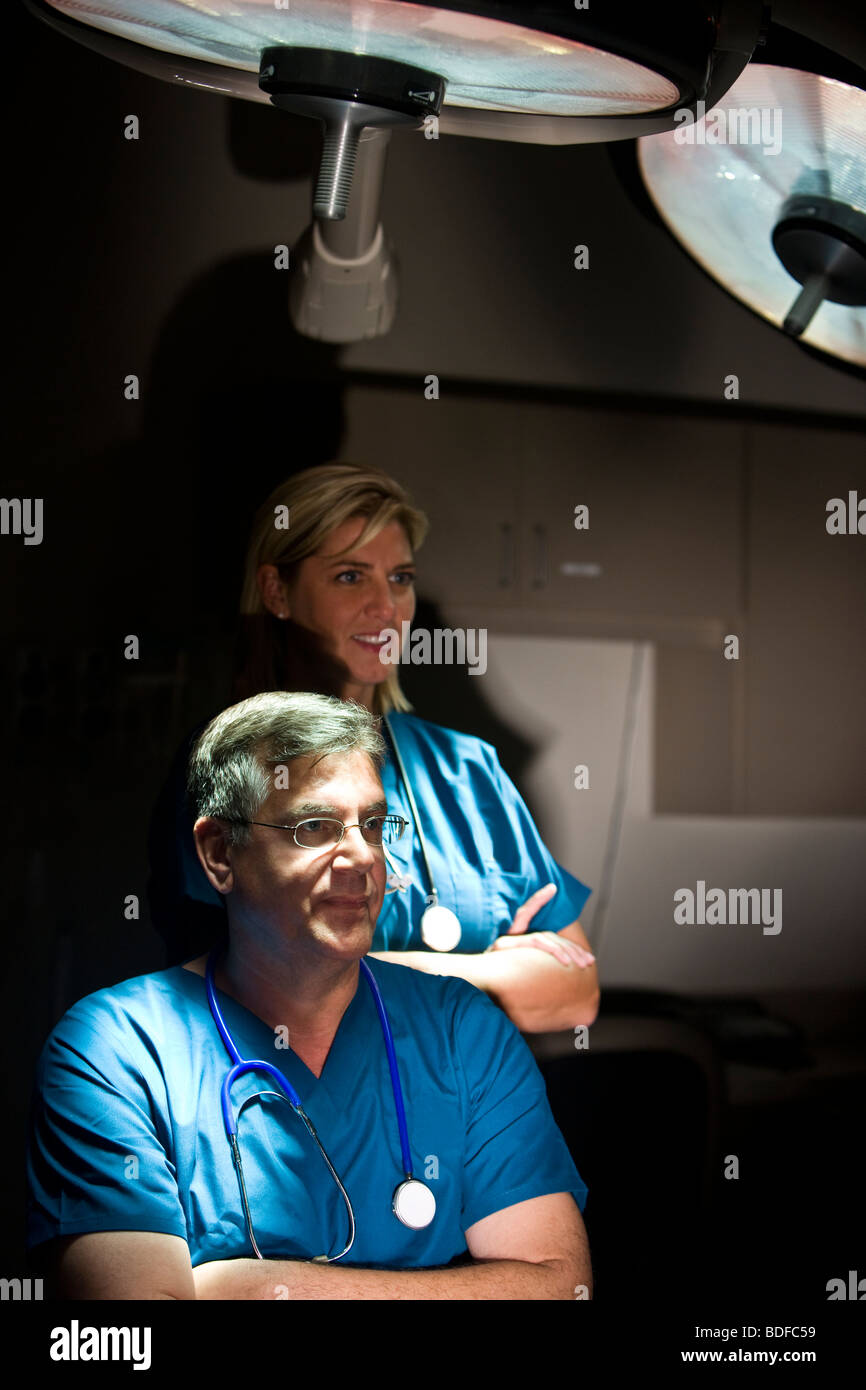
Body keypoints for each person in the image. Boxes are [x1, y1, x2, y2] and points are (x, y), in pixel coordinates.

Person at [27, 692, 592, 1299]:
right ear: (220, 854)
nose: (361, 858)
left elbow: (559, 1288)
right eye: (314, 828)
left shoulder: (463, 1032)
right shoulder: (116, 1050)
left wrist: (247, 1288)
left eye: (374, 825)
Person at [148, 462, 599, 1035]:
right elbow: (266, 994)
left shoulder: (468, 769)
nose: (386, 607)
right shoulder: (227, 767)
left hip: (466, 1118)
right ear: (276, 591)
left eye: (401, 578)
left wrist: (372, 969)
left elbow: (576, 994)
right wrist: (492, 971)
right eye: (350, 577)